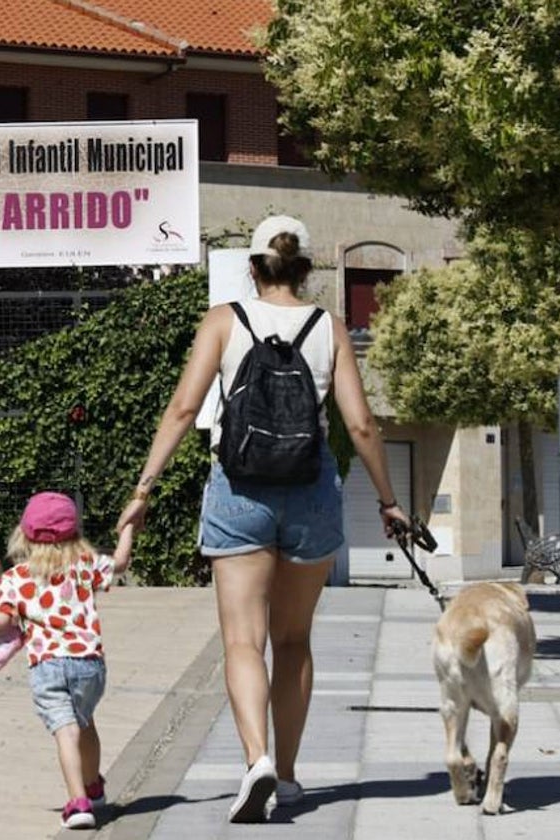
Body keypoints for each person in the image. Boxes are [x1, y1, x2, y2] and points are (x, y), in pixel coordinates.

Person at [115, 216, 410, 823]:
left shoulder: (224, 320)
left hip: (239, 488)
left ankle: (256, 760)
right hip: (310, 491)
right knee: (294, 640)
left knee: (243, 640)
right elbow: (359, 425)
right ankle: (293, 774)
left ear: (252, 268)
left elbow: (183, 407)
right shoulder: (328, 326)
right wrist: (388, 500)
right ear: (305, 270)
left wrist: (144, 489)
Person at [0, 491, 135, 830]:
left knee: (65, 731)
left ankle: (78, 800)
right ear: (74, 533)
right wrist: (127, 528)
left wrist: (10, 619)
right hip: (89, 664)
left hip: (48, 664)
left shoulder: (15, 578)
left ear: (23, 533)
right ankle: (94, 786)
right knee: (85, 723)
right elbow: (121, 562)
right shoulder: (85, 566)